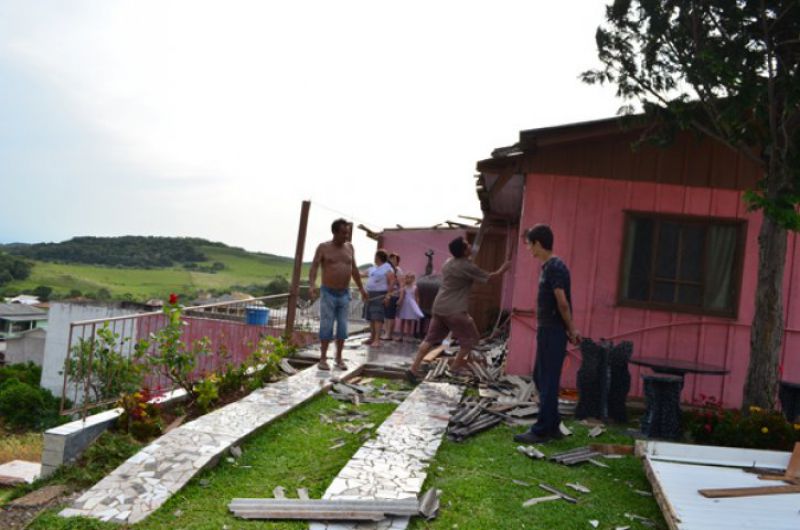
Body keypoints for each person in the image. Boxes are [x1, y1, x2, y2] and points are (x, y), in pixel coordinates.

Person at [407, 236, 511, 380]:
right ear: (464, 251)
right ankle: (455, 368)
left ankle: (413, 369)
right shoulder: (467, 266)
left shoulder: (448, 263)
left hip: (439, 307)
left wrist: (468, 259)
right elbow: (490, 278)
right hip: (455, 309)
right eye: (467, 245)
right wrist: (503, 269)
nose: (470, 246)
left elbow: (465, 269)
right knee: (471, 340)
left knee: (429, 339)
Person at [514, 224, 581, 444]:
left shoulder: (555, 267)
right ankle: (552, 425)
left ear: (538, 244)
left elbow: (562, 303)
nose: (528, 249)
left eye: (529, 245)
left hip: (553, 331)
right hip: (547, 330)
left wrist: (571, 329)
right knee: (541, 377)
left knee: (548, 379)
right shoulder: (548, 267)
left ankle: (542, 430)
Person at [308, 218, 368, 371]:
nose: (346, 236)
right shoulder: (323, 247)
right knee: (326, 325)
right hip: (328, 292)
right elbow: (314, 266)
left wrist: (361, 288)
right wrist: (312, 284)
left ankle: (339, 358)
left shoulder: (350, 247)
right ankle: (323, 359)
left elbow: (354, 269)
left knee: (342, 326)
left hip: (344, 293)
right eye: (343, 233)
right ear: (334, 232)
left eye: (347, 233)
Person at [362, 249, 396, 347]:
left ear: (378, 257)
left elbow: (392, 282)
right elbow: (362, 274)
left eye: (375, 256)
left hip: (380, 294)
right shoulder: (373, 268)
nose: (374, 258)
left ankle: (377, 340)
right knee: (371, 317)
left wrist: (388, 296)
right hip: (369, 295)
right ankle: (372, 338)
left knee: (377, 317)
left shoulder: (387, 268)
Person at [381, 253, 403, 341]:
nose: (391, 260)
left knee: (390, 316)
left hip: (394, 295)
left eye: (394, 259)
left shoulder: (398, 270)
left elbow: (402, 285)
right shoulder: (388, 269)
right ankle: (386, 332)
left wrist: (400, 298)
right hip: (386, 295)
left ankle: (389, 334)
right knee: (386, 315)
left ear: (397, 261)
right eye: (390, 258)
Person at [397, 272, 424, 342]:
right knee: (402, 320)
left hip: (411, 305)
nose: (408, 279)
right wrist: (399, 303)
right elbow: (402, 296)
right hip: (404, 305)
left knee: (409, 321)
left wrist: (417, 306)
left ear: (413, 279)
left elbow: (417, 297)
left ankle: (408, 336)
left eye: (410, 278)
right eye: (407, 278)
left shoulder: (415, 288)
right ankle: (401, 336)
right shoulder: (404, 288)